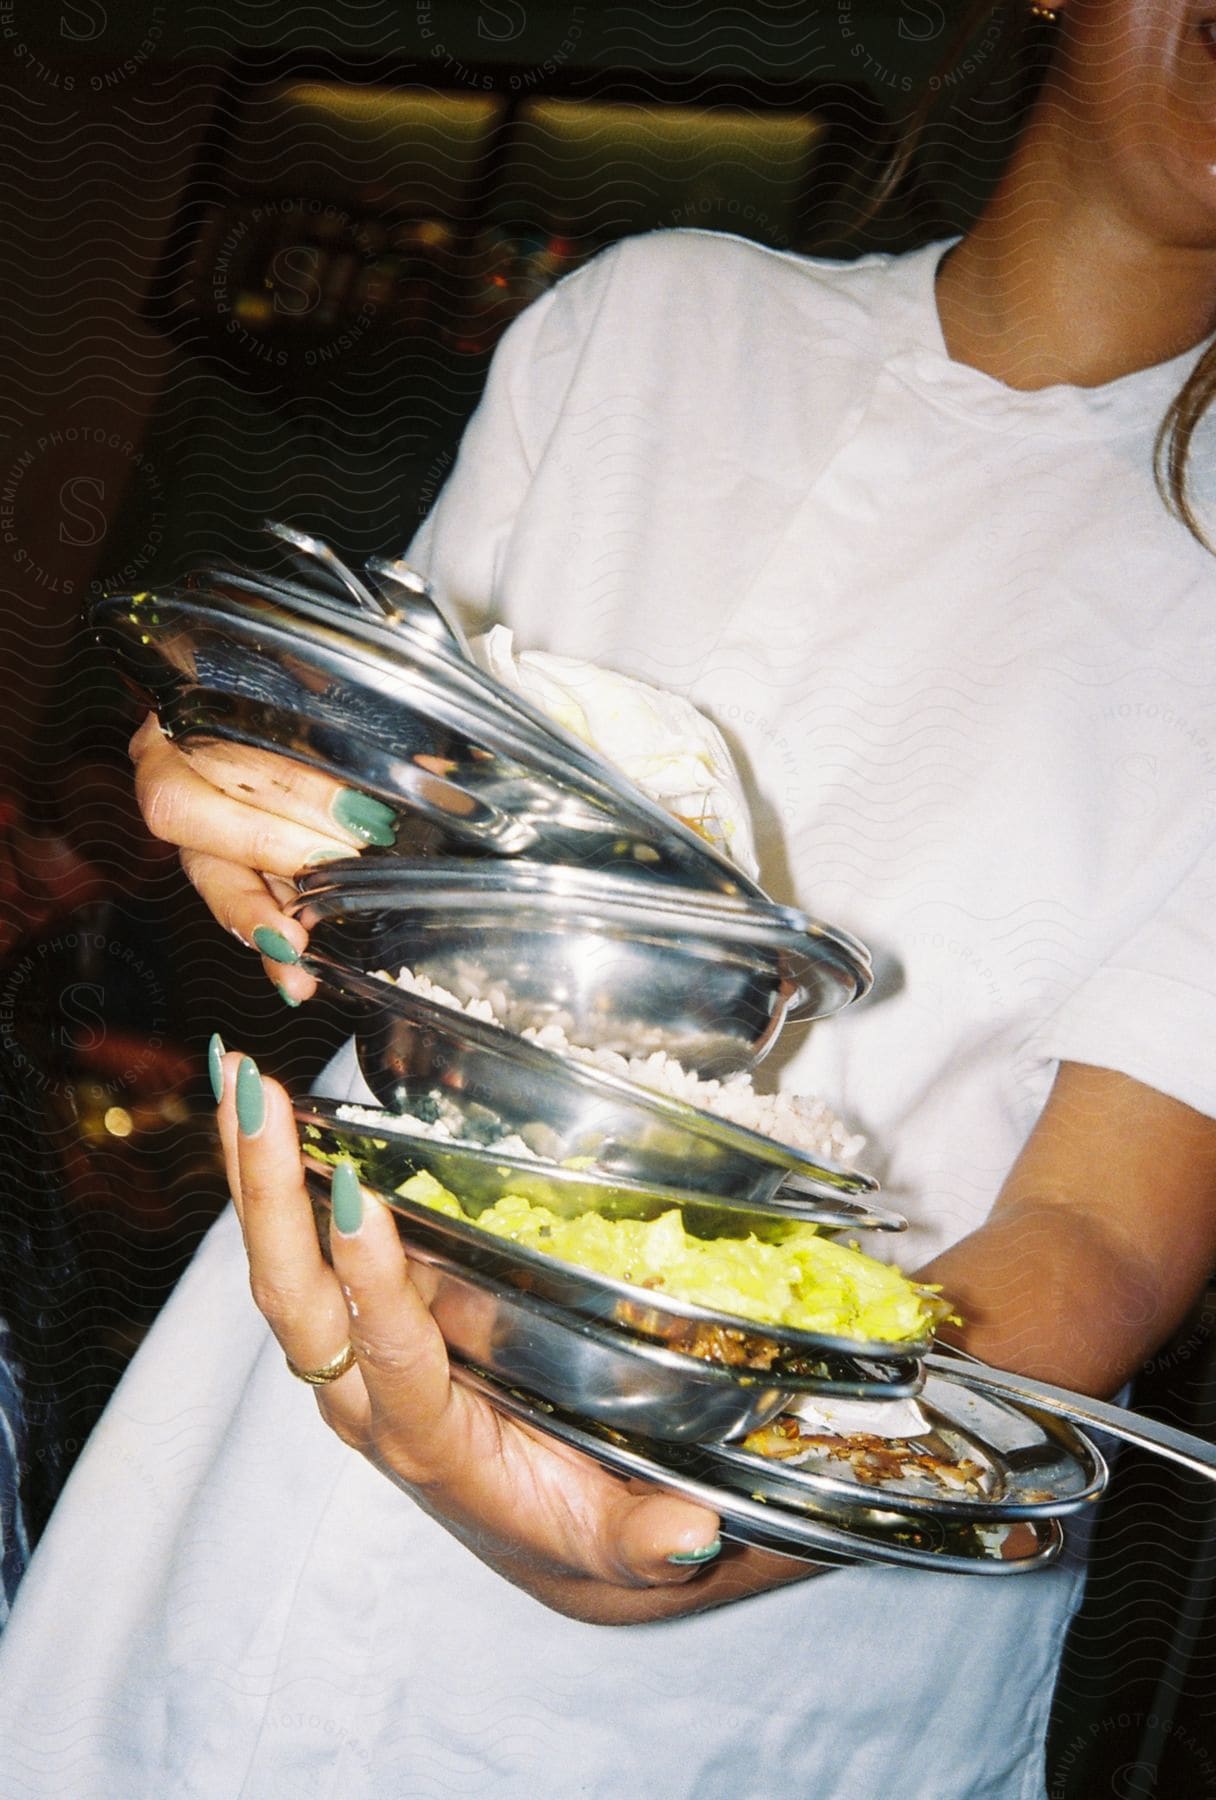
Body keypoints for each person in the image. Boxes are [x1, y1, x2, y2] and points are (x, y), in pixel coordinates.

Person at [3, 0, 1216, 1791]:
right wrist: (255, 790)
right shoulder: (651, 323)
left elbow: (1103, 1234)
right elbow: (374, 855)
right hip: (285, 1425)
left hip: (791, 1622)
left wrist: (729, 1501)